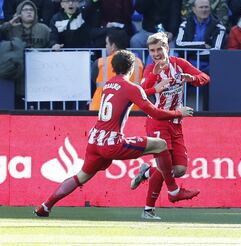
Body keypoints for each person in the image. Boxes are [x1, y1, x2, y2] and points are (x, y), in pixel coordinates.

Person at [34, 50, 198, 217]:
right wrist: (179, 113)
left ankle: (45, 206)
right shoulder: (131, 87)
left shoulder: (108, 85)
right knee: (160, 145)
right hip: (111, 143)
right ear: (132, 68)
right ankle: (173, 191)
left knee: (80, 177)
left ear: (113, 67)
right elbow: (155, 112)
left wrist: (150, 88)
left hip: (94, 141)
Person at [130, 32, 209, 220]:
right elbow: (140, 93)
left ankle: (147, 171)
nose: (156, 53)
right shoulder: (151, 69)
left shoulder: (179, 64)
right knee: (164, 166)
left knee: (179, 169)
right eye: (152, 50)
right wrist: (154, 85)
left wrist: (192, 79)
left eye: (159, 49)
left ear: (167, 48)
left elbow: (205, 77)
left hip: (176, 122)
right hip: (157, 121)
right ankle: (149, 209)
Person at [89, 29, 144, 111]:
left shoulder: (100, 63)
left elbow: (93, 83)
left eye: (107, 43)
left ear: (113, 46)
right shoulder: (139, 63)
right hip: (133, 112)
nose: (106, 46)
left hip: (102, 111)